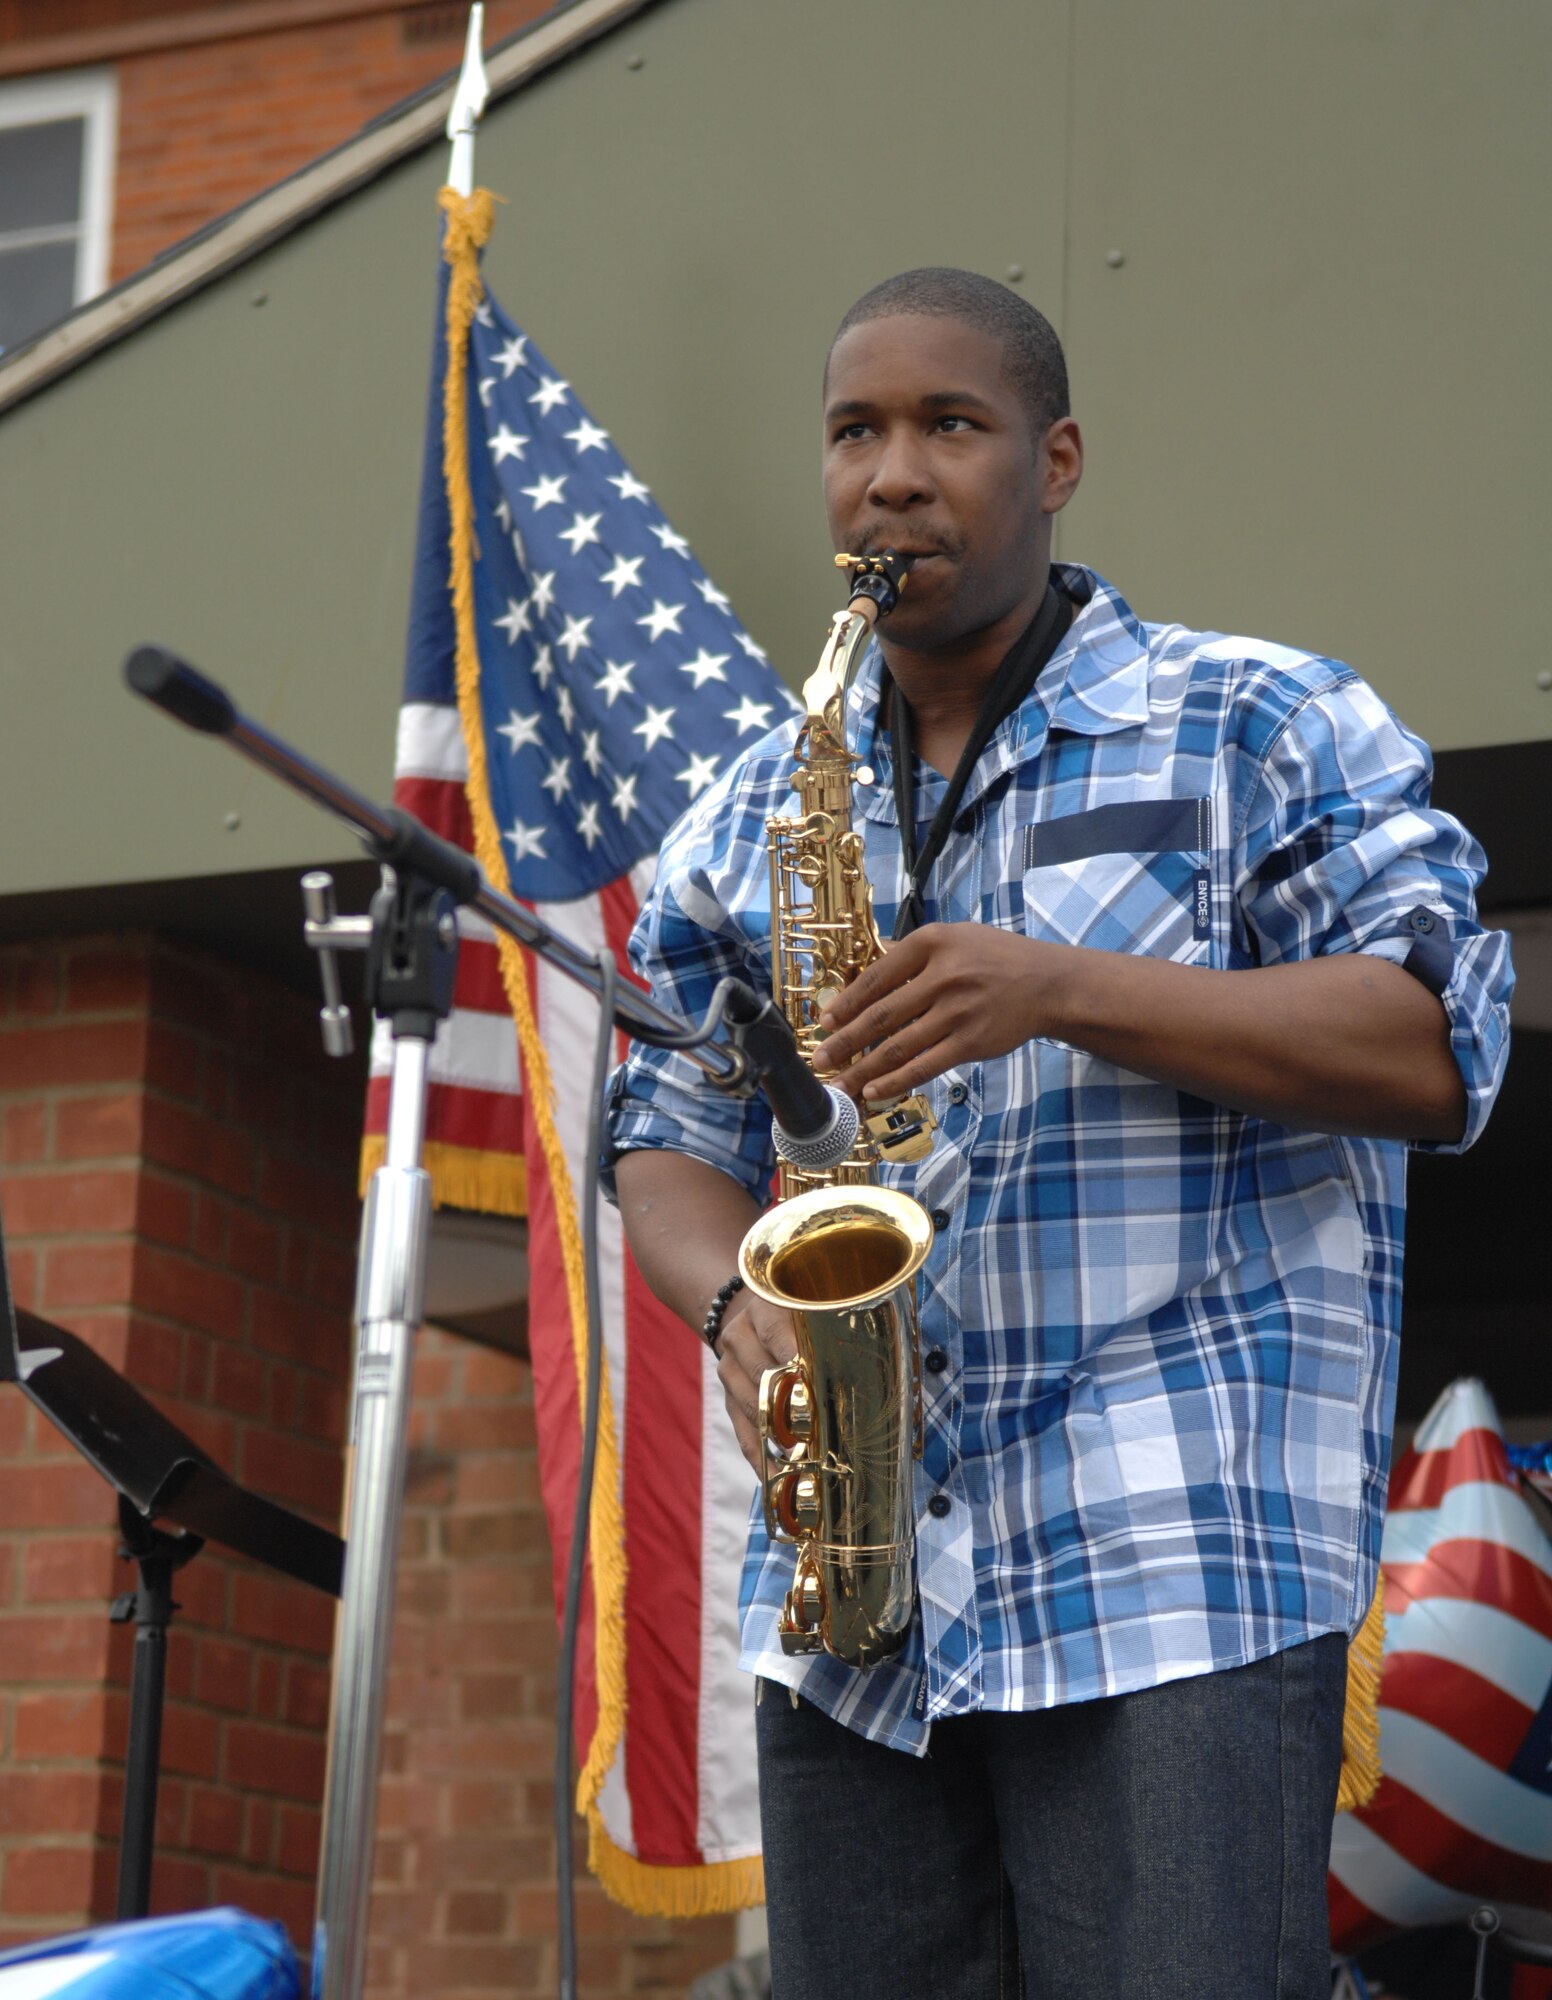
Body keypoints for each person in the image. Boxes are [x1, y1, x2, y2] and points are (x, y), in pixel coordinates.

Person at [605, 268, 1513, 1998]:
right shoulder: (755, 798)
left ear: (1058, 457)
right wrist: (736, 1302)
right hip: (853, 1596)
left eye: (951, 423)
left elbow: (1436, 1045)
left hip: (1174, 1565)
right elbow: (662, 1122)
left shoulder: (1263, 717)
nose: (891, 474)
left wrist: (1064, 988)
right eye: (854, 431)